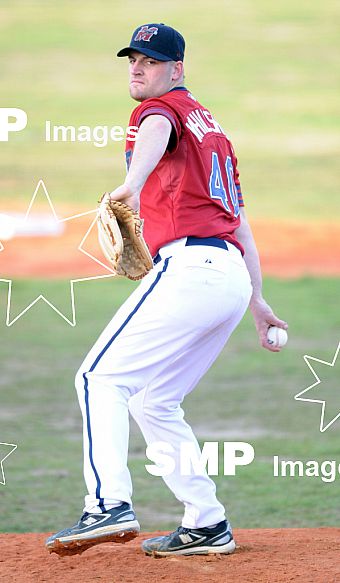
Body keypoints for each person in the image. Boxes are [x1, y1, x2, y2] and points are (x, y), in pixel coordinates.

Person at [46, 23, 288, 558]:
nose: (138, 68)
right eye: (133, 59)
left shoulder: (162, 110)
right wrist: (257, 299)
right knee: (156, 399)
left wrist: (132, 184)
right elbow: (237, 221)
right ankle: (206, 522)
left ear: (177, 69)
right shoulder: (213, 131)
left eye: (151, 61)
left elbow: (154, 125)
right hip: (226, 275)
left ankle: (106, 504)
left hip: (191, 269)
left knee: (97, 378)